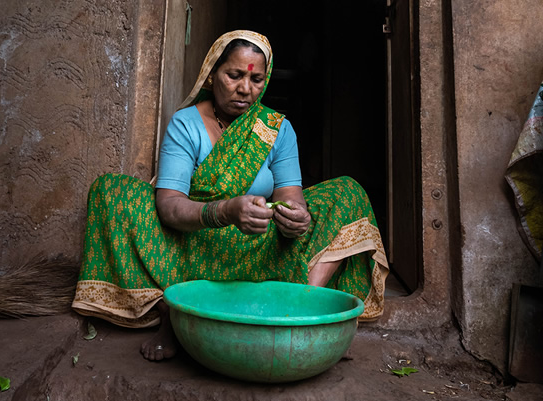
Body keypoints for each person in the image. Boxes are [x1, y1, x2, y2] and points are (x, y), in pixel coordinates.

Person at [72, 30, 388, 360]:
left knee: (347, 192)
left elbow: (292, 196)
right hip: (191, 247)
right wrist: (223, 212)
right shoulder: (186, 124)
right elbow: (168, 206)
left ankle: (298, 302)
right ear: (211, 75)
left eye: (256, 79)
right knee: (111, 191)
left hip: (259, 246)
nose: (245, 89)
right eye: (234, 75)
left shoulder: (276, 128)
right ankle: (171, 312)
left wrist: (297, 218)